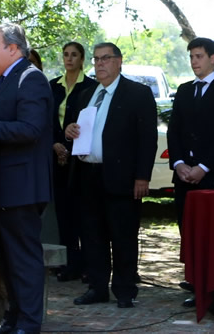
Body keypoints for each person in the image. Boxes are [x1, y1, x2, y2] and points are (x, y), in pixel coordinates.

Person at [0, 23, 53, 334]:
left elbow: (30, 129)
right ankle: (14, 319)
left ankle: (29, 324)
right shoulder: (7, 79)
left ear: (13, 49)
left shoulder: (30, 79)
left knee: (23, 259)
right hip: (1, 187)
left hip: (21, 187)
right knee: (7, 260)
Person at [64, 42, 158, 309]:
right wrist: (70, 130)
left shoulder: (137, 94)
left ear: (119, 61)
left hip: (123, 177)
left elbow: (147, 139)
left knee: (123, 235)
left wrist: (143, 177)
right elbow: (74, 128)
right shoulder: (87, 94)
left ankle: (125, 290)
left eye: (105, 59)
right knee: (92, 235)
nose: (100, 64)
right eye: (96, 59)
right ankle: (97, 287)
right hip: (87, 174)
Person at [166, 37, 214, 307]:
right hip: (184, 176)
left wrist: (203, 167)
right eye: (191, 57)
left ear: (212, 58)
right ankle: (197, 287)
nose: (194, 62)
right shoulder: (184, 91)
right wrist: (179, 164)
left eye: (199, 56)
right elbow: (174, 131)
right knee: (189, 232)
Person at [48, 41, 98, 283]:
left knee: (83, 213)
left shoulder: (91, 87)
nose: (69, 59)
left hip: (80, 158)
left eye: (74, 55)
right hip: (55, 156)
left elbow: (90, 124)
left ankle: (89, 265)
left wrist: (68, 148)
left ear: (82, 59)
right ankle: (70, 264)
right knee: (63, 213)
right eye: (66, 54)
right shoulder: (52, 86)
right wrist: (55, 144)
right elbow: (45, 120)